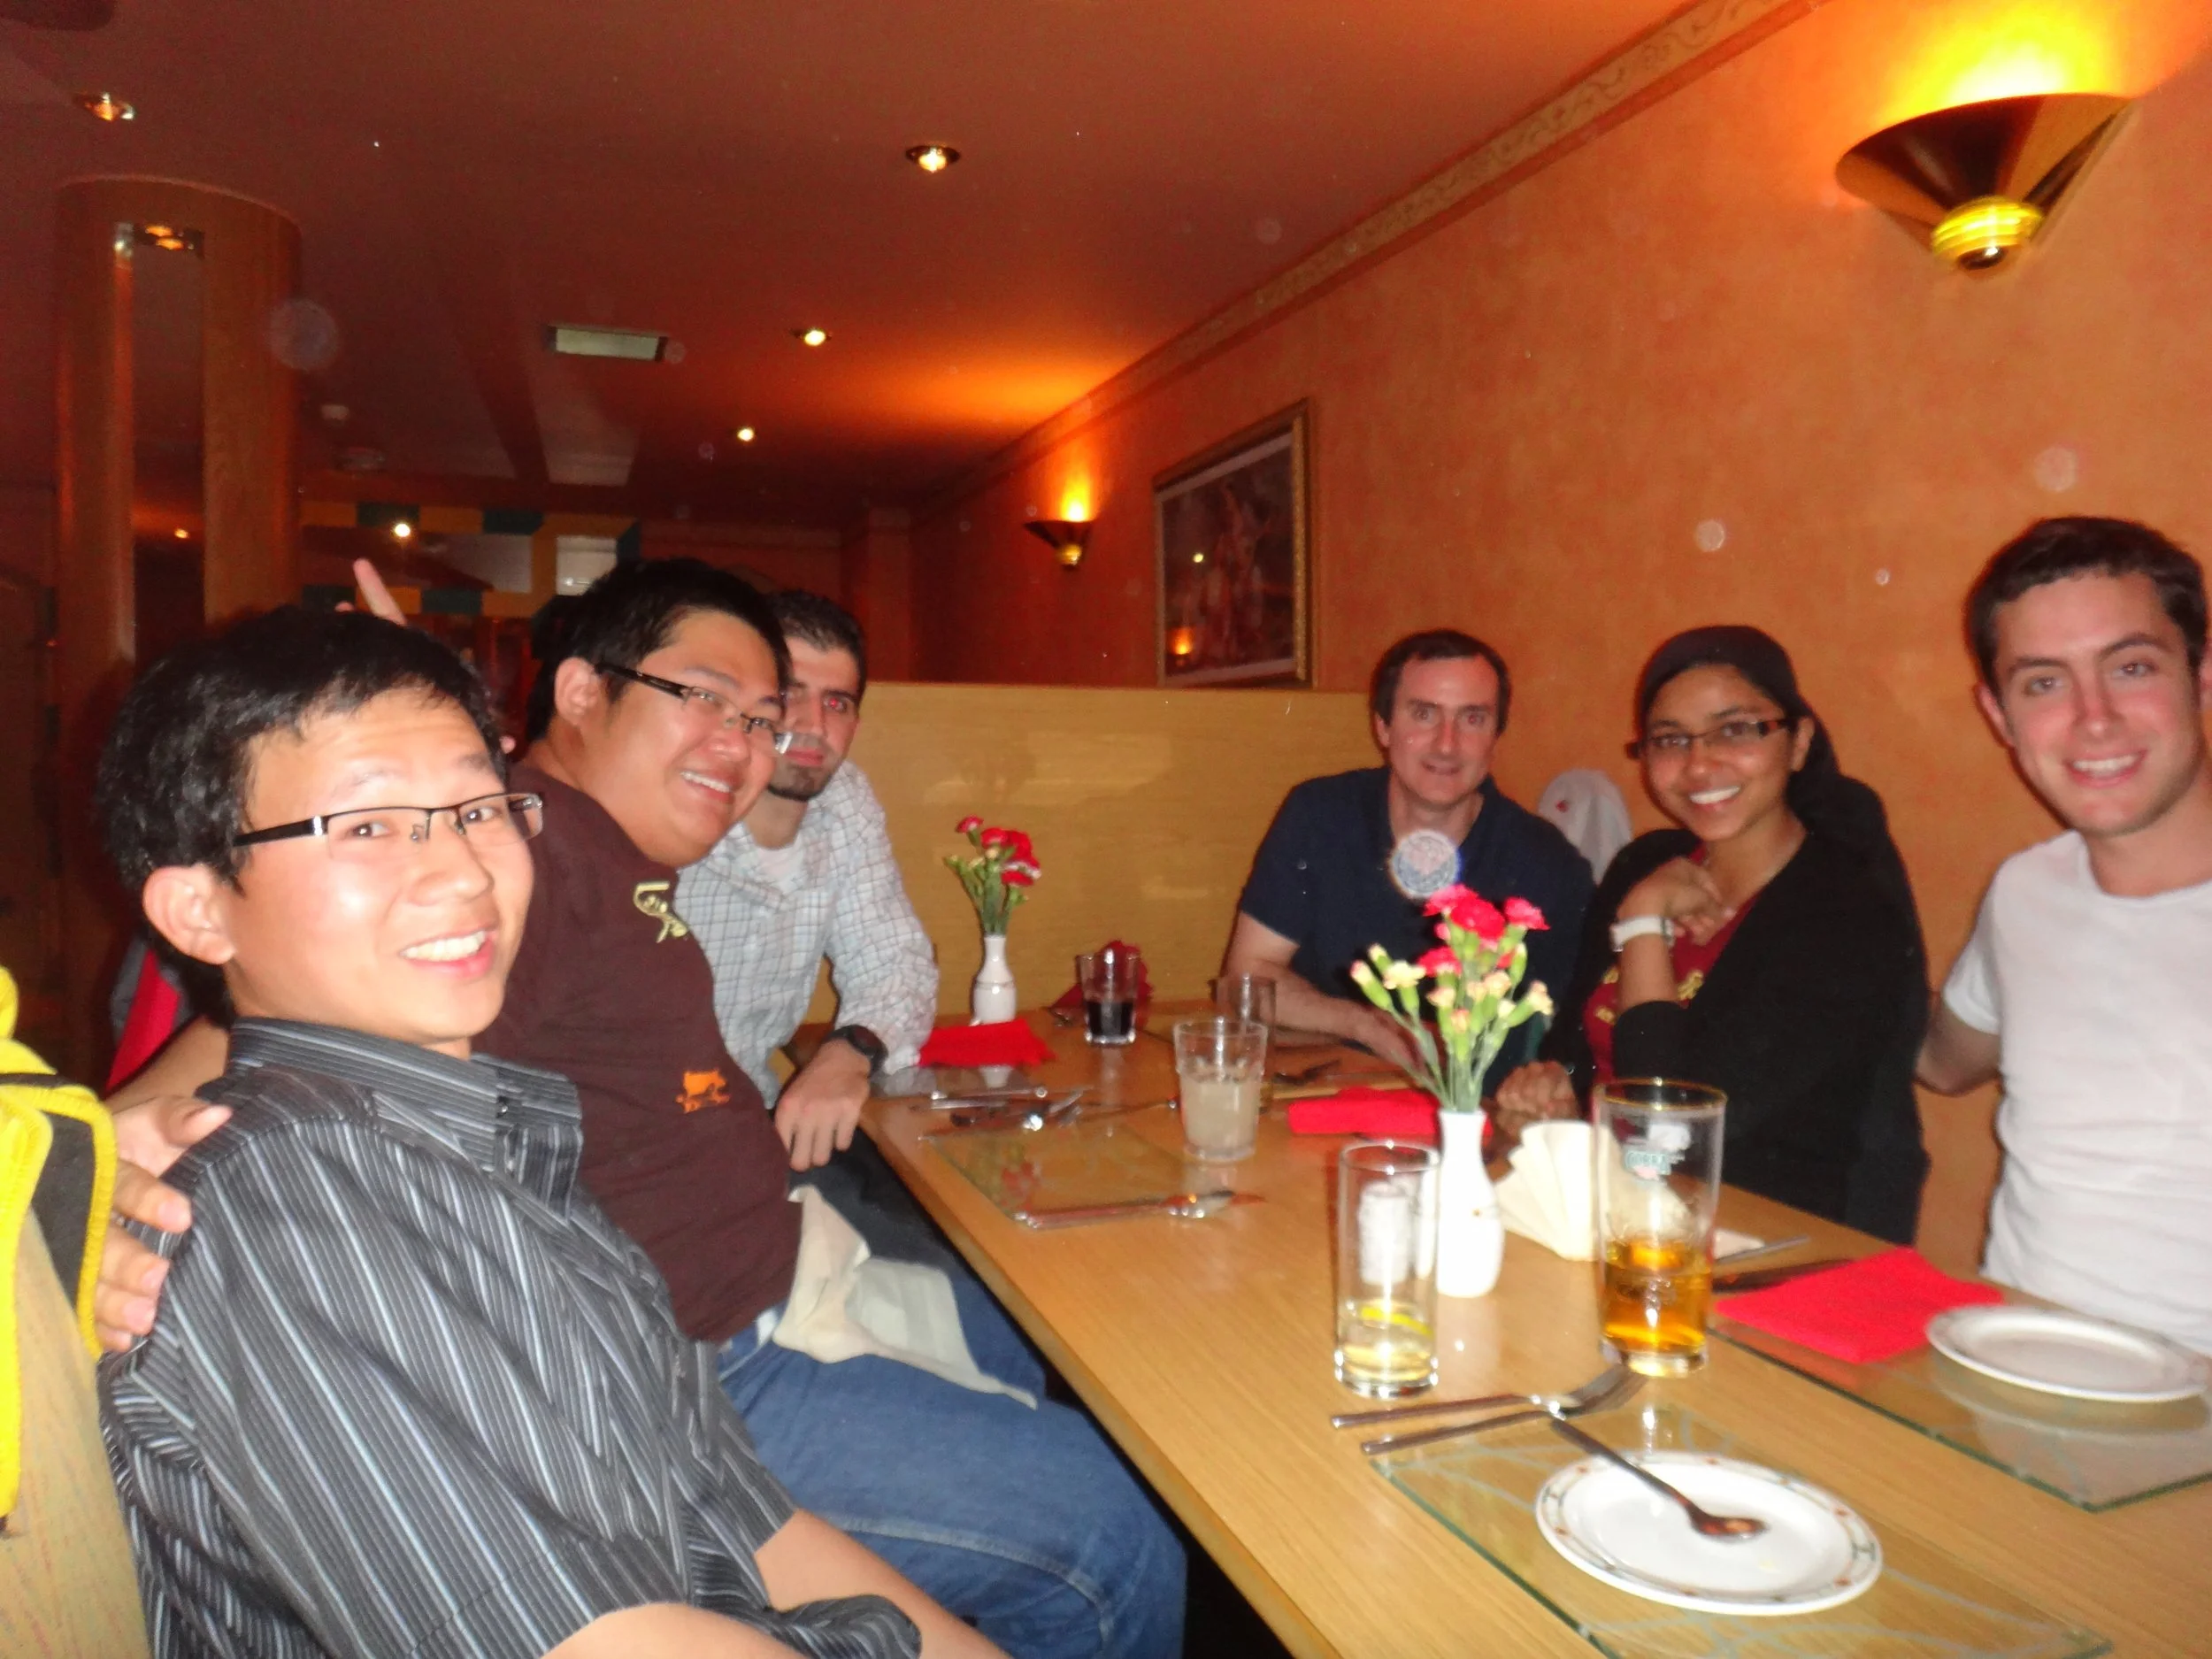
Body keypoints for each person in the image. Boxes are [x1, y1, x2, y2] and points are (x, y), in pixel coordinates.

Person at [98, 562, 1185, 1659]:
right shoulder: (318, 1201)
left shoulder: (524, 1109)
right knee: (1113, 1528)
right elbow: (284, 1048)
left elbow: (726, 1506)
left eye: (474, 809)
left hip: (703, 1352)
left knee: (1041, 1339)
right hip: (731, 1355)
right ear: (579, 693)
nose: (465, 873)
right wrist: (86, 1161)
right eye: (371, 826)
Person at [1494, 627, 1930, 1240]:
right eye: (1671, 739)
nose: (1699, 764)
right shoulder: (1646, 862)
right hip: (1626, 1220)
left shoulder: (1845, 912)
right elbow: (1579, 1051)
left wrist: (1644, 923)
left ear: (1799, 741)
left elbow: (1666, 1130)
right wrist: (1545, 1095)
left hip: (1778, 1253)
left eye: (1735, 729)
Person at [1919, 517, 2212, 1353]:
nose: (2093, 718)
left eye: (2131, 667)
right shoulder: (2025, 891)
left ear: (2202, 675)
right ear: (1999, 716)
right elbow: (1941, 1059)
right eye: (2043, 683)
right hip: (2011, 1378)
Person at [1222, 629, 1592, 1073]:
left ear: (1496, 735)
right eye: (1424, 714)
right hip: (1323, 1093)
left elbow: (1561, 1042)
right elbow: (1245, 980)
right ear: (1383, 726)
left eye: (1472, 719)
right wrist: (1367, 1025)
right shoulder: (1320, 815)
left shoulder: (1547, 864)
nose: (1447, 743)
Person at [678, 591, 936, 1170]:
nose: (813, 725)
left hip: (755, 1127)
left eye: (837, 702)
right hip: (639, 1146)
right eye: (791, 694)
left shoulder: (845, 802)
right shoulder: (675, 809)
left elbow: (897, 958)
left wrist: (851, 1050)